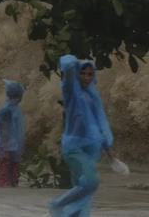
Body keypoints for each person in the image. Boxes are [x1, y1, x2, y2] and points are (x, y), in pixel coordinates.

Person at [49, 55, 115, 217]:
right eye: (82, 73)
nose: (86, 77)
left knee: (82, 187)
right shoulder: (71, 92)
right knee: (91, 183)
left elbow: (100, 122)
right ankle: (57, 207)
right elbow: (67, 66)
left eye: (89, 74)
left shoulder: (93, 95)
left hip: (89, 148)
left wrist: (108, 149)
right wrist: (75, 62)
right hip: (73, 147)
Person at [0, 79, 26, 188]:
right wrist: (6, 150)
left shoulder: (13, 108)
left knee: (12, 178)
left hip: (13, 149)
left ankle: (10, 197)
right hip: (7, 150)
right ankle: (3, 197)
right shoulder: (6, 110)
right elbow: (4, 130)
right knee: (5, 179)